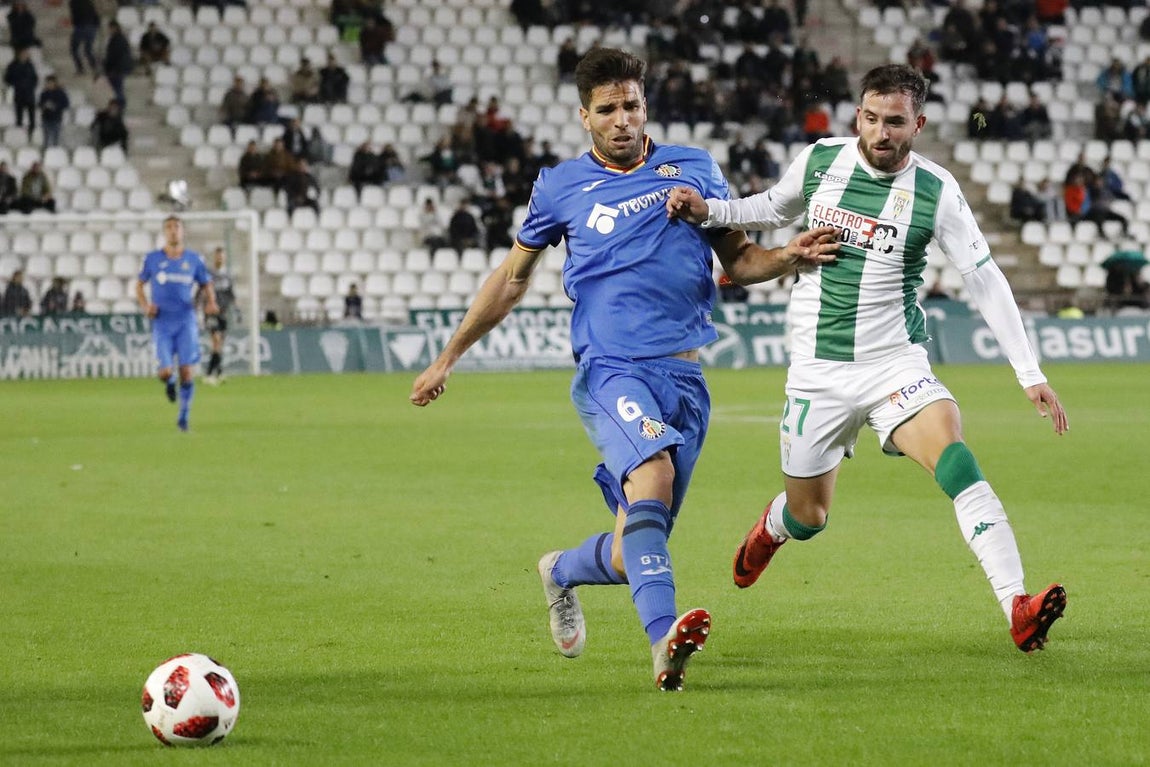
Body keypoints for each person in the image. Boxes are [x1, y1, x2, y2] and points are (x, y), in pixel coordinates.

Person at [410, 47, 839, 691]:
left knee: (637, 542)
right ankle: (664, 640)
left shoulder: (693, 170)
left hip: (686, 380)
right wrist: (448, 356)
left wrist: (789, 256)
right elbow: (511, 280)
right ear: (584, 116)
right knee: (653, 471)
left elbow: (742, 260)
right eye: (606, 109)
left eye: (631, 105)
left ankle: (560, 570)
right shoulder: (560, 187)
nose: (621, 120)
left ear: (646, 106)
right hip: (612, 371)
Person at [667, 63, 1069, 655]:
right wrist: (713, 212)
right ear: (859, 114)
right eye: (872, 119)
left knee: (958, 465)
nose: (881, 133)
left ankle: (1017, 604)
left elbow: (984, 278)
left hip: (895, 365)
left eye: (896, 123)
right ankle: (774, 528)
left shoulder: (936, 191)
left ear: (919, 124)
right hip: (818, 372)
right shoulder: (821, 161)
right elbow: (771, 208)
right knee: (811, 517)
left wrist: (1029, 372)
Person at [137, 215, 218, 432]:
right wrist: (146, 306)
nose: (173, 231)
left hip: (185, 321)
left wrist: (211, 302)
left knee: (187, 372)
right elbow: (139, 285)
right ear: (164, 232)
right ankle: (169, 382)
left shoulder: (194, 259)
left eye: (177, 227)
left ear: (182, 232)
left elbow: (206, 283)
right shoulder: (152, 259)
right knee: (164, 372)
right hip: (162, 322)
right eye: (169, 227)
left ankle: (183, 418)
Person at [202, 246, 234, 384]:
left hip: (223, 313)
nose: (220, 258)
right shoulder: (209, 274)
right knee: (215, 340)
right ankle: (209, 374)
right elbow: (203, 291)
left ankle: (219, 372)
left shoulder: (228, 276)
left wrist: (229, 306)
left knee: (219, 344)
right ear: (214, 257)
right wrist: (205, 307)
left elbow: (231, 294)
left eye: (222, 256)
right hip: (211, 313)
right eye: (218, 256)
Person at [4, 47, 38, 140]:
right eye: (23, 54)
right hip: (18, 93)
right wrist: (16, 84)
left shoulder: (30, 65)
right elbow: (7, 78)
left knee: (31, 114)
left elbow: (35, 78)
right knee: (19, 114)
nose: (25, 56)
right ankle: (19, 134)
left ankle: (31, 132)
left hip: (29, 94)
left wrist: (31, 85)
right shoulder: (13, 65)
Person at [102, 20, 134, 107]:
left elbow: (114, 56)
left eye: (110, 28)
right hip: (118, 68)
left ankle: (120, 106)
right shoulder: (119, 38)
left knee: (117, 89)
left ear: (114, 28)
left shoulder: (117, 39)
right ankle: (119, 105)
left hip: (117, 69)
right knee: (116, 89)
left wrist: (110, 68)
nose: (108, 30)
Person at [38, 75, 70, 150]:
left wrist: (55, 106)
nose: (49, 85)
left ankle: (55, 155)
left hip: (57, 119)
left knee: (56, 140)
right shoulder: (44, 93)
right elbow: (40, 104)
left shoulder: (61, 93)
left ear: (55, 83)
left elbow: (66, 104)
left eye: (51, 83)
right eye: (48, 83)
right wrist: (45, 105)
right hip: (46, 119)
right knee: (46, 140)